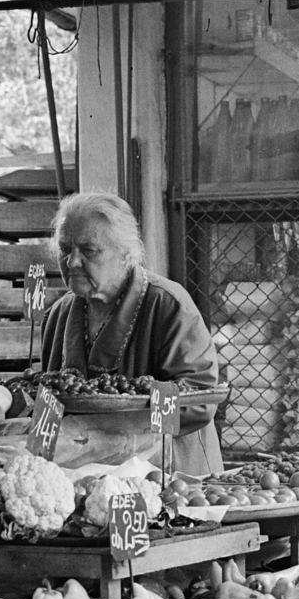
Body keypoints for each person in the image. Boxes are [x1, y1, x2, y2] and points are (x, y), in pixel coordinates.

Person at [39, 191, 222, 476]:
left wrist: (124, 421)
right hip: (85, 473)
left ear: (127, 255)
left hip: (167, 474)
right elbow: (48, 396)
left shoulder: (168, 305)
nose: (72, 261)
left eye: (88, 250)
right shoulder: (58, 314)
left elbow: (199, 400)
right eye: (65, 249)